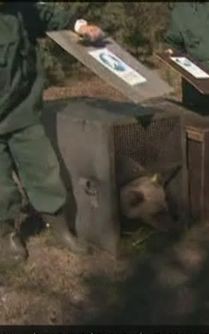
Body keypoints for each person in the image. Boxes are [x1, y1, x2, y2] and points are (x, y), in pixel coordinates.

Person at [0, 2, 104, 264]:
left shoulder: (21, 9)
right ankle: (7, 235)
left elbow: (50, 16)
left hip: (21, 110)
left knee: (44, 169)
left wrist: (81, 25)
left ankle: (60, 228)